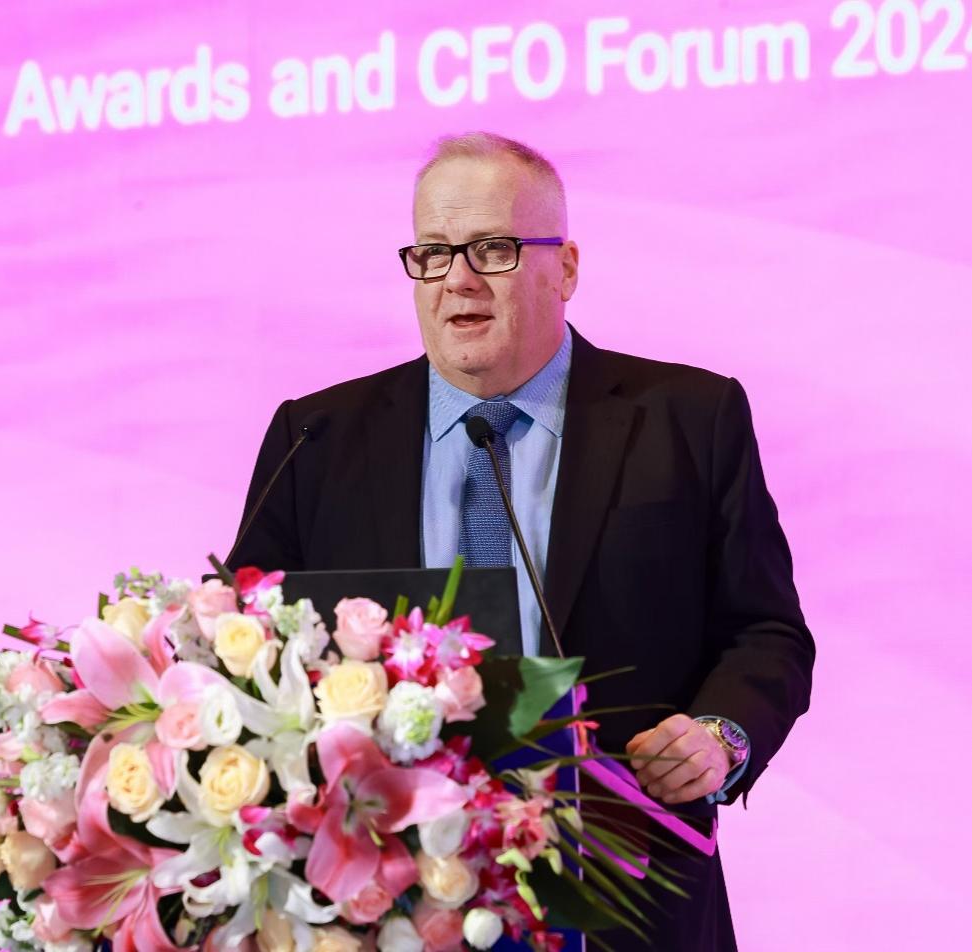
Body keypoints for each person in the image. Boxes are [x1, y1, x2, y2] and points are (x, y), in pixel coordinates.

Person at [229, 132, 814, 951]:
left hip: (624, 897)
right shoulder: (317, 437)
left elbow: (765, 631)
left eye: (492, 249)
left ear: (564, 268)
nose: (458, 279)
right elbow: (246, 650)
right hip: (379, 908)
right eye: (432, 254)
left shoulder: (686, 419)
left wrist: (719, 736)